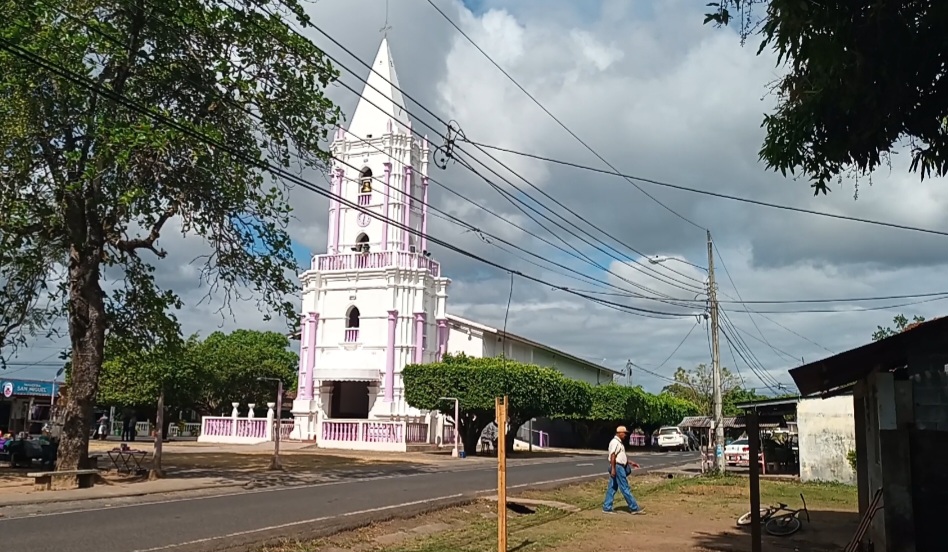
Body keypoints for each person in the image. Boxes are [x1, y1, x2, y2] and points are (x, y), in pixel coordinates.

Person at [603, 425, 644, 514]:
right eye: (624, 433)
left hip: (619, 466)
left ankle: (607, 507)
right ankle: (634, 508)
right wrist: (613, 469)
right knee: (624, 487)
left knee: (612, 487)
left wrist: (630, 462)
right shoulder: (615, 442)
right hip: (617, 467)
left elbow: (620, 456)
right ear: (619, 433)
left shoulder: (619, 442)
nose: (625, 435)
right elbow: (613, 456)